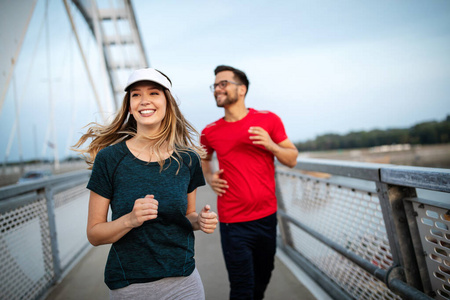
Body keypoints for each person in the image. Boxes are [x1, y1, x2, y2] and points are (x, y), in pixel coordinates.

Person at [73, 67, 218, 300]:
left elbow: (188, 215)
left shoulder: (188, 159)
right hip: (130, 286)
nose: (144, 100)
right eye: (136, 95)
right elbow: (94, 234)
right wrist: (130, 220)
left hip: (184, 281)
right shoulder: (109, 159)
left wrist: (199, 220)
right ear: (129, 105)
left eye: (153, 93)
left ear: (167, 102)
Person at [200, 65, 298, 300]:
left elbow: (292, 158)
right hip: (233, 221)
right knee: (242, 287)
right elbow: (205, 158)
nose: (217, 89)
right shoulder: (209, 131)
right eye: (215, 85)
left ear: (241, 89)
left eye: (223, 84)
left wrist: (270, 145)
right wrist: (209, 176)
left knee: (262, 280)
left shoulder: (268, 120)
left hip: (266, 217)